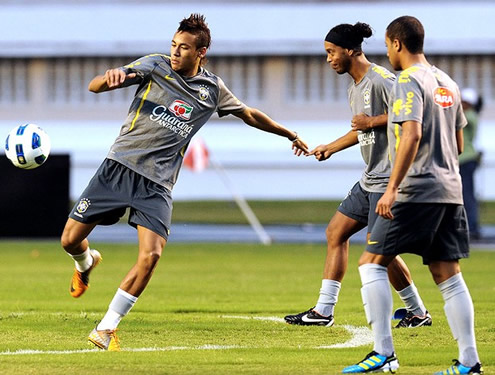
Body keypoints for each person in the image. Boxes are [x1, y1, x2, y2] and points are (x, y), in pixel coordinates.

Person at [60, 13, 309, 351]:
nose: (175, 52)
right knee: (69, 240)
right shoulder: (155, 65)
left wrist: (289, 133)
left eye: (184, 48)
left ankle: (106, 328)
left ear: (200, 53)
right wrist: (110, 79)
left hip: (158, 183)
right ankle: (86, 262)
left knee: (152, 255)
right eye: (173, 45)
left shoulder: (212, 89)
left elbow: (249, 114)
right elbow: (95, 85)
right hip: (119, 167)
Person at [343, 16, 483, 374]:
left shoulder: (407, 80)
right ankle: (469, 361)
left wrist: (392, 189)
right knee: (447, 273)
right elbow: (459, 142)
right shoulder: (446, 82)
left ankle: (384, 354)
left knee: (371, 264)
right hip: (450, 191)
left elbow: (411, 134)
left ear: (397, 44)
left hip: (415, 190)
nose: (388, 52)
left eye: (388, 46)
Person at [284, 22, 431, 329]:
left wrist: (372, 120)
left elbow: (415, 114)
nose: (328, 59)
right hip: (369, 178)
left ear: (350, 50)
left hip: (390, 178)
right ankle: (323, 310)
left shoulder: (381, 80)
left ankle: (417, 312)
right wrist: (331, 148)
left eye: (331, 52)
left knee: (379, 249)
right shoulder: (355, 86)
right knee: (335, 232)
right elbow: (361, 129)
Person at [459, 88, 483, 240]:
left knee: (467, 194)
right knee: (463, 194)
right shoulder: (469, 115)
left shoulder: (469, 116)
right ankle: (468, 225)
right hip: (465, 159)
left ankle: (473, 227)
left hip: (465, 159)